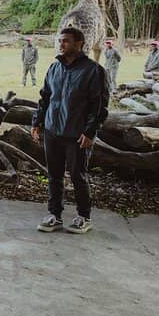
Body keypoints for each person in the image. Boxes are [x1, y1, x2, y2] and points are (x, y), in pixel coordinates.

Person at [32, 27, 109, 235]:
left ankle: (84, 217)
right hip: (52, 131)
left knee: (78, 176)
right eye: (60, 41)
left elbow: (99, 106)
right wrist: (37, 122)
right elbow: (45, 97)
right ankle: (54, 215)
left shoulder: (94, 71)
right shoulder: (54, 68)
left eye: (66, 41)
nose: (61, 44)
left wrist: (90, 132)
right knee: (54, 175)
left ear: (79, 44)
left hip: (77, 134)